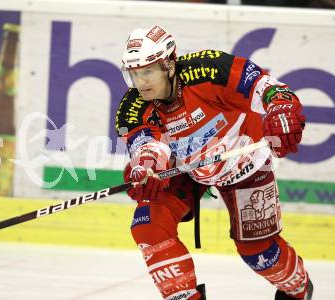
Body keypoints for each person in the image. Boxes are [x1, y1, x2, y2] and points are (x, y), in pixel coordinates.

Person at [115, 25, 312, 300]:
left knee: (259, 254)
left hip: (246, 164)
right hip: (185, 169)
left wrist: (280, 106)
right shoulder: (132, 108)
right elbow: (148, 147)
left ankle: (298, 288)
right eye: (134, 73)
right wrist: (145, 169)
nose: (141, 82)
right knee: (147, 223)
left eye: (148, 71)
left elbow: (267, 87)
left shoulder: (209, 69)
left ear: (170, 65)